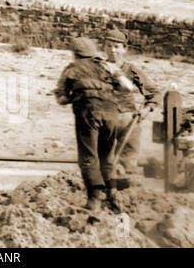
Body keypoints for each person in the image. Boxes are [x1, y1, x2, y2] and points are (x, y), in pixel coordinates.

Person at [54, 37, 134, 212]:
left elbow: (61, 98)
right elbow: (128, 87)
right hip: (112, 113)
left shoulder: (72, 69)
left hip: (88, 114)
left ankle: (94, 200)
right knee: (107, 155)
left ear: (75, 53)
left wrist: (75, 96)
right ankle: (112, 194)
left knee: (88, 156)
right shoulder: (107, 65)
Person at [104, 29, 160, 174]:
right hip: (103, 118)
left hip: (127, 119)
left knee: (128, 162)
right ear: (103, 47)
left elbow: (154, 93)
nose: (112, 50)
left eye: (116, 47)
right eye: (108, 46)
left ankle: (127, 189)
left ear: (124, 49)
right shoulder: (97, 68)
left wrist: (147, 109)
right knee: (102, 161)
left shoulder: (132, 69)